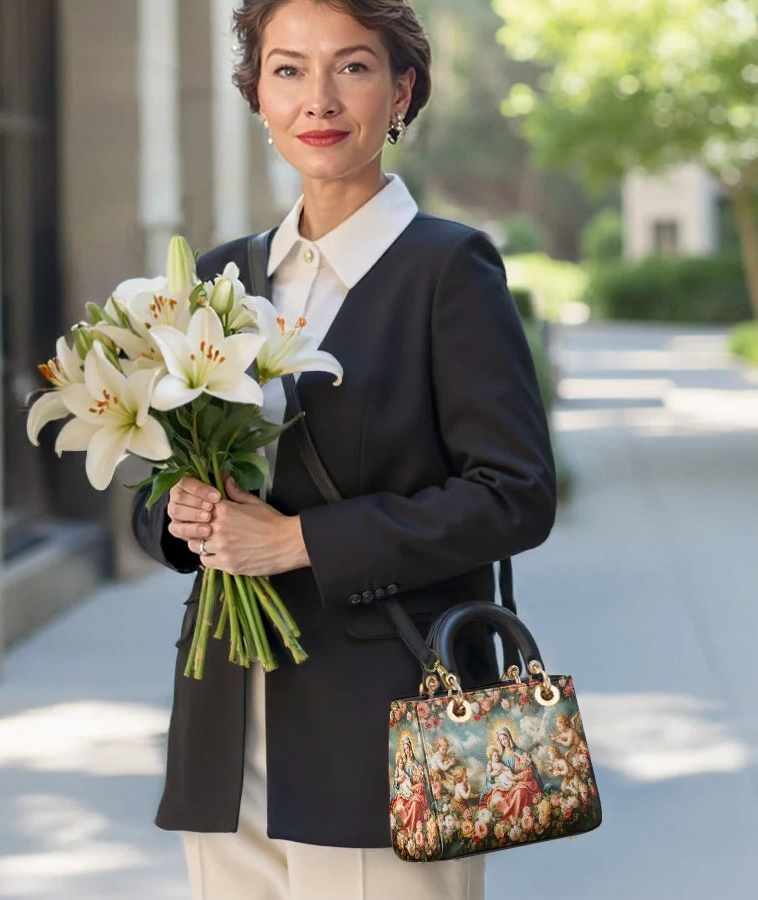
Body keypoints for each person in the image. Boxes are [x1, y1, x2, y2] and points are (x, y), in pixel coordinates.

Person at [132, 0, 556, 896]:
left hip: (388, 729)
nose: (317, 98)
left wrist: (300, 542)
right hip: (225, 729)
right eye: (288, 69)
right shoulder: (219, 277)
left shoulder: (449, 269)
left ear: (401, 91)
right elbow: (158, 481)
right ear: (257, 95)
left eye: (352, 67)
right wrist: (181, 514)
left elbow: (514, 494)